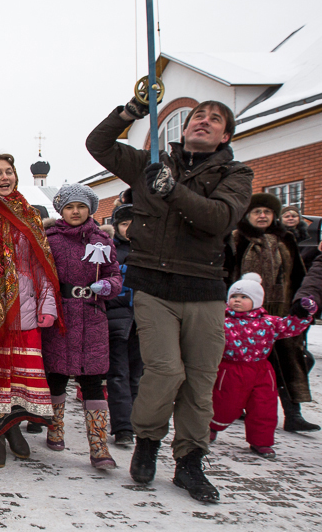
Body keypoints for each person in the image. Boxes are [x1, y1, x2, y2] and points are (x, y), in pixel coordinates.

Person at [86, 98, 253, 503]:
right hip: (154, 286)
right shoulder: (151, 163)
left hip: (204, 288)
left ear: (225, 135)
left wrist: (173, 191)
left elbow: (218, 218)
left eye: (215, 119)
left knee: (199, 379)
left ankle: (190, 461)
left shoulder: (235, 174)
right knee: (164, 371)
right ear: (184, 127)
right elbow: (99, 145)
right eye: (199, 115)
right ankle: (147, 441)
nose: (204, 121)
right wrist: (130, 111)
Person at [0, 154, 60, 468]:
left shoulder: (28, 214)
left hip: (25, 306)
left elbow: (42, 262)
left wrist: (47, 304)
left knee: (20, 373)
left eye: (9, 172)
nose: (4, 177)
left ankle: (14, 428)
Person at [42, 184, 122, 469]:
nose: (75, 212)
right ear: (61, 211)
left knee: (92, 381)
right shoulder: (50, 239)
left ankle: (98, 446)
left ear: (90, 209)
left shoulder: (102, 239)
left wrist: (107, 286)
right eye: (69, 207)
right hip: (60, 317)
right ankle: (55, 427)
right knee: (57, 376)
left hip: (93, 317)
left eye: (80, 207)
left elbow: (115, 275)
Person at [225, 193, 314, 432]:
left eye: (267, 212)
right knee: (243, 363)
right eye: (257, 211)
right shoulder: (236, 238)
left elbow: (299, 275)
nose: (262, 216)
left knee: (289, 362)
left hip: (282, 313)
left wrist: (302, 308)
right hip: (242, 318)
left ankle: (294, 414)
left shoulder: (286, 239)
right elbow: (226, 273)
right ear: (248, 214)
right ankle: (237, 406)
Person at [210, 273, 317, 459]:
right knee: (225, 404)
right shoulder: (222, 320)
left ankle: (261, 441)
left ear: (257, 301)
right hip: (231, 369)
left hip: (261, 371)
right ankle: (211, 426)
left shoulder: (268, 322)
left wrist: (304, 313)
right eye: (234, 296)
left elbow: (289, 327)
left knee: (264, 407)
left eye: (244, 297)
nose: (237, 300)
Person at [105, 203, 143, 446]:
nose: (129, 229)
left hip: (144, 319)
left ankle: (139, 421)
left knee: (138, 375)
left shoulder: (150, 252)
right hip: (117, 318)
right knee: (118, 373)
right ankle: (123, 427)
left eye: (133, 224)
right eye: (124, 224)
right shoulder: (109, 251)